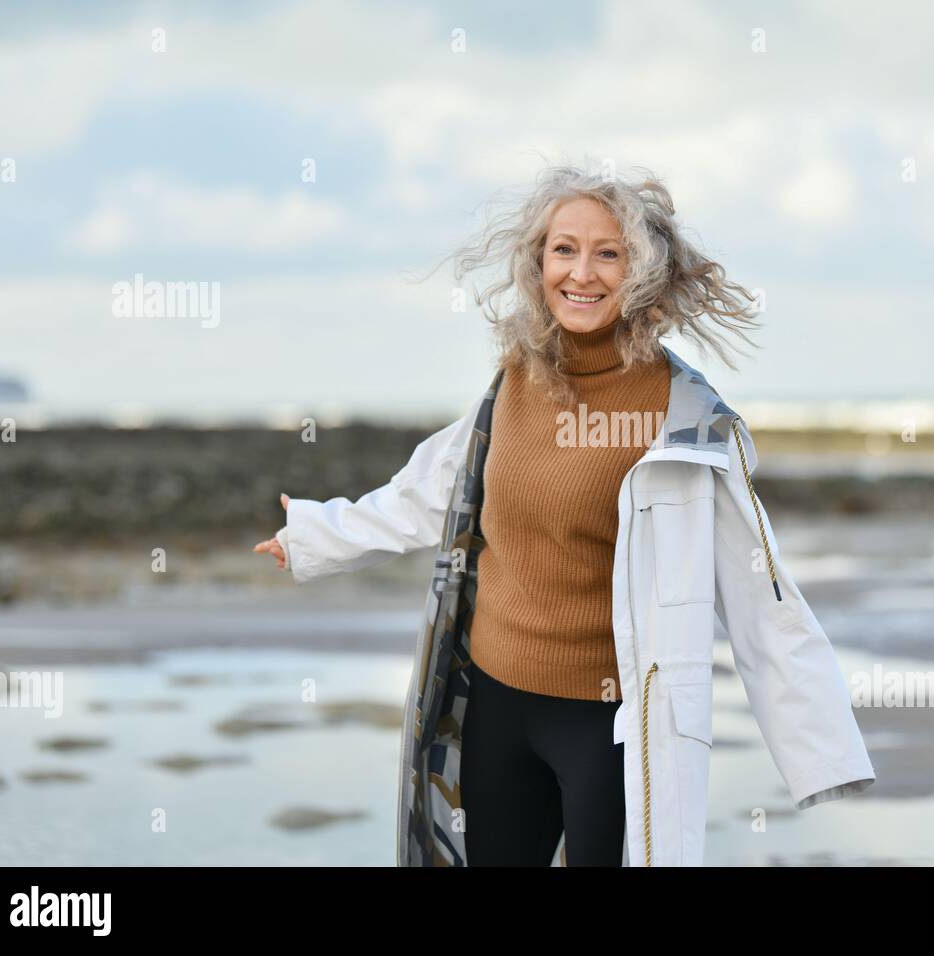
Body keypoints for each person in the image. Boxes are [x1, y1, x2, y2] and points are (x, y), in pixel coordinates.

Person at [254, 164, 775, 865]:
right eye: (564, 249)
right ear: (538, 263)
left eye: (608, 253)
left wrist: (818, 745)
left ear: (643, 271)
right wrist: (316, 536)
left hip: (610, 723)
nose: (581, 273)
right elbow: (431, 492)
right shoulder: (516, 379)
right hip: (497, 707)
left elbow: (754, 583)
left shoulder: (685, 416)